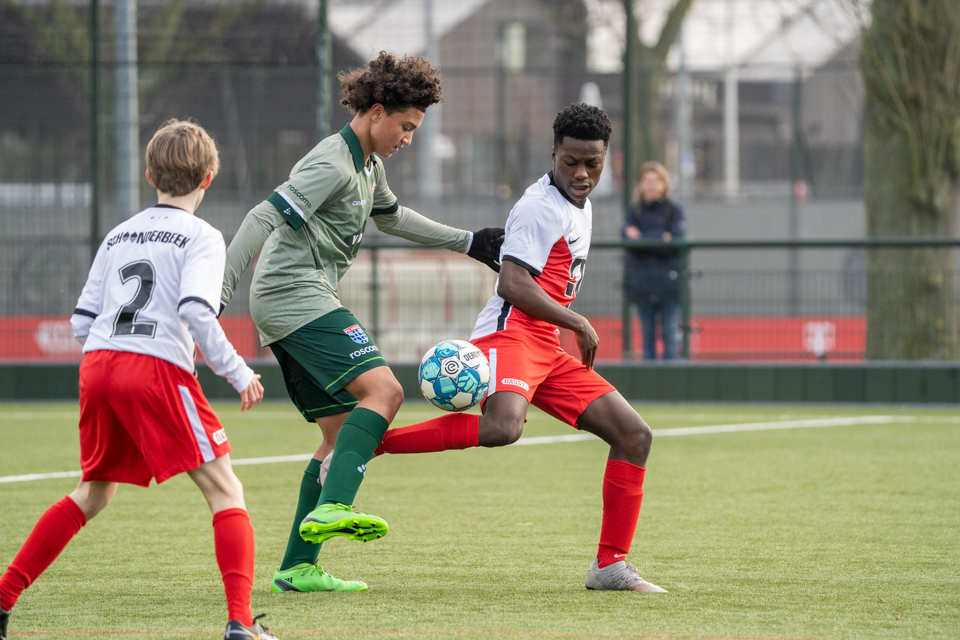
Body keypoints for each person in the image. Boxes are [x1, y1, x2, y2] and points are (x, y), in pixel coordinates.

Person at [219, 52, 503, 594]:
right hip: (293, 295)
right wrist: (218, 294)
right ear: (376, 112)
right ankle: (336, 507)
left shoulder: (369, 165)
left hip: (296, 301)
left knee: (337, 432)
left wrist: (467, 242)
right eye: (406, 126)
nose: (409, 138)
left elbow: (392, 217)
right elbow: (262, 216)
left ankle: (298, 567)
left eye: (416, 129)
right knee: (386, 390)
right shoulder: (332, 161)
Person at [356, 103, 666, 592]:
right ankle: (370, 444)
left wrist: (565, 328)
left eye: (593, 163)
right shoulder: (538, 207)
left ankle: (609, 566)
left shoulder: (580, 204)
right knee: (503, 428)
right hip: (511, 333)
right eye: (571, 162)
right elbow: (513, 285)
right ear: (553, 155)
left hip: (545, 342)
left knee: (634, 435)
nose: (582, 174)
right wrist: (578, 323)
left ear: (606, 159)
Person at [0, 120, 276, 640]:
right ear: (209, 178)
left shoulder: (119, 233)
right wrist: (239, 373)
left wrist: (117, 359)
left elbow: (82, 322)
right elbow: (196, 308)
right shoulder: (203, 235)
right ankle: (240, 623)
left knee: (93, 493)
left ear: (149, 174)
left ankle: (2, 597)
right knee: (226, 490)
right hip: (153, 370)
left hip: (99, 365)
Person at [622, 161, 686, 360]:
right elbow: (627, 241)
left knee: (670, 336)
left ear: (664, 184)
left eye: (656, 180)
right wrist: (661, 238)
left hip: (669, 285)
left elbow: (676, 241)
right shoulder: (633, 211)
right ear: (640, 184)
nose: (652, 185)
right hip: (642, 285)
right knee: (647, 336)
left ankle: (674, 383)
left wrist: (641, 239)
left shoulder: (674, 210)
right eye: (647, 181)